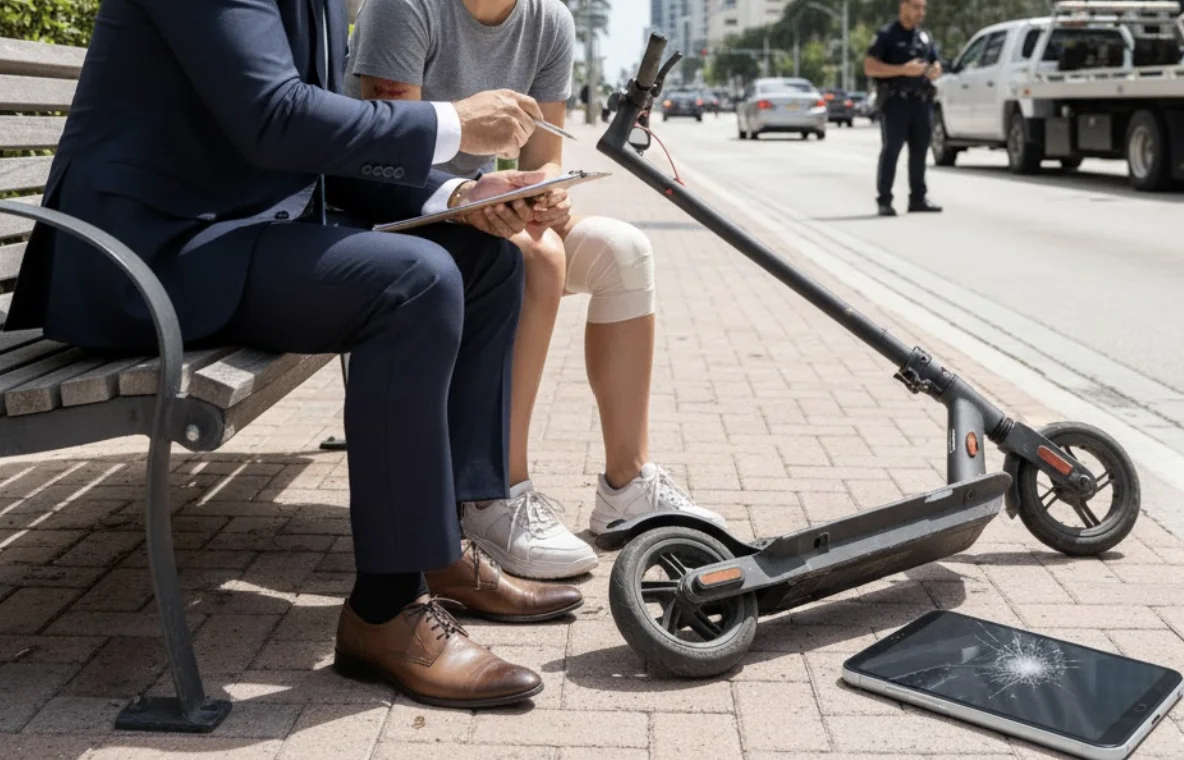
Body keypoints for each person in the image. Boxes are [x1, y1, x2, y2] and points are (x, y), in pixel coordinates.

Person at [4, 0, 586, 710]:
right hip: (142, 259)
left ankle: (441, 544)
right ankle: (385, 610)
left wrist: (461, 193)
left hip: (226, 236)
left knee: (485, 260)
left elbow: (317, 147)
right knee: (413, 282)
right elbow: (273, 117)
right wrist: (456, 123)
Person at [344, 0, 726, 582]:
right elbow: (389, 149)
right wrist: (478, 195)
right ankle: (494, 493)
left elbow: (544, 158)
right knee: (539, 257)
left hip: (490, 207)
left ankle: (627, 484)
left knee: (624, 252)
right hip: (406, 213)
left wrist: (547, 191)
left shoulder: (550, 20)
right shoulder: (407, 7)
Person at [865, 0, 944, 217]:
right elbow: (870, 67)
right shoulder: (887, 35)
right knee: (891, 151)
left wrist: (935, 69)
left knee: (919, 152)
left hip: (921, 102)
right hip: (896, 103)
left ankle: (918, 199)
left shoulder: (924, 37)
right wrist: (903, 70)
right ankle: (884, 200)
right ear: (903, 6)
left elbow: (935, 62)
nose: (921, 12)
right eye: (916, 7)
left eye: (923, 8)